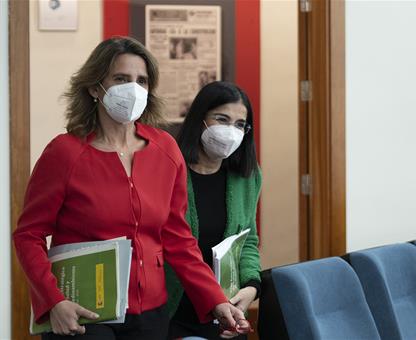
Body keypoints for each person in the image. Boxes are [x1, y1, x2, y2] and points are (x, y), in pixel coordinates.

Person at [12, 37, 247, 339]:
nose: (133, 88)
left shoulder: (166, 150)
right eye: (121, 79)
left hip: (150, 313)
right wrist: (53, 301)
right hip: (82, 314)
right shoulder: (64, 153)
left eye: (142, 80)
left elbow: (178, 239)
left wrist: (216, 300)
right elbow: (28, 235)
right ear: (95, 87)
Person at [165, 81, 262, 340]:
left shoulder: (246, 177)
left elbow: (248, 241)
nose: (231, 131)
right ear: (200, 120)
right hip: (173, 310)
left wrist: (251, 287)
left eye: (240, 124)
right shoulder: (168, 170)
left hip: (226, 310)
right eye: (222, 119)